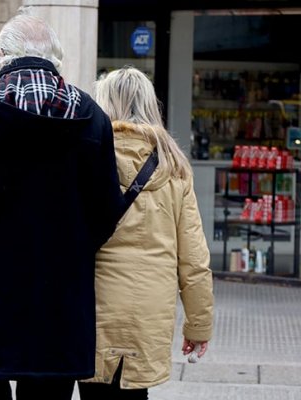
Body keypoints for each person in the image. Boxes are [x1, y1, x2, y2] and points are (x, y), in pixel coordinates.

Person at [0, 12, 123, 400]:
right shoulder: (93, 119)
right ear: (54, 57)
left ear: (1, 56)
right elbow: (107, 209)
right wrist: (75, 251)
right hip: (59, 299)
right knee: (49, 391)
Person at [77, 67, 214, 399]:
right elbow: (194, 260)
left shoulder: (84, 156)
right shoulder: (174, 166)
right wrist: (198, 325)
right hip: (149, 309)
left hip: (92, 306)